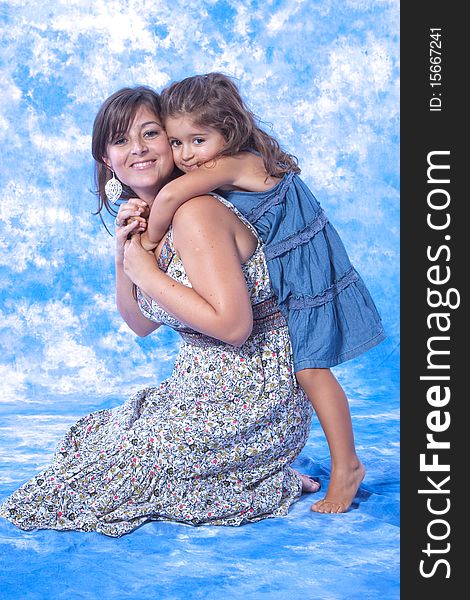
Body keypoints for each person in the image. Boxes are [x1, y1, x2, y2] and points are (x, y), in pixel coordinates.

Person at [0, 86, 319, 537]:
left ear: (170, 141)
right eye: (122, 141)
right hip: (198, 384)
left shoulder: (196, 212)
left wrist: (146, 272)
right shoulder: (152, 220)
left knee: (107, 480)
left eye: (151, 134)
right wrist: (124, 257)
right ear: (107, 160)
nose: (139, 150)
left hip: (254, 392)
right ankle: (242, 473)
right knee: (94, 440)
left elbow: (233, 327)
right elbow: (142, 323)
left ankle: (261, 478)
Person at [139, 73, 386, 514]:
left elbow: (173, 193)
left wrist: (148, 243)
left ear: (228, 133)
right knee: (306, 367)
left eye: (198, 140)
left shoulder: (235, 163)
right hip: (292, 262)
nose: (185, 155)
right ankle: (336, 463)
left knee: (310, 370)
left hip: (304, 268)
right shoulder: (230, 161)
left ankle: (347, 466)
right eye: (176, 143)